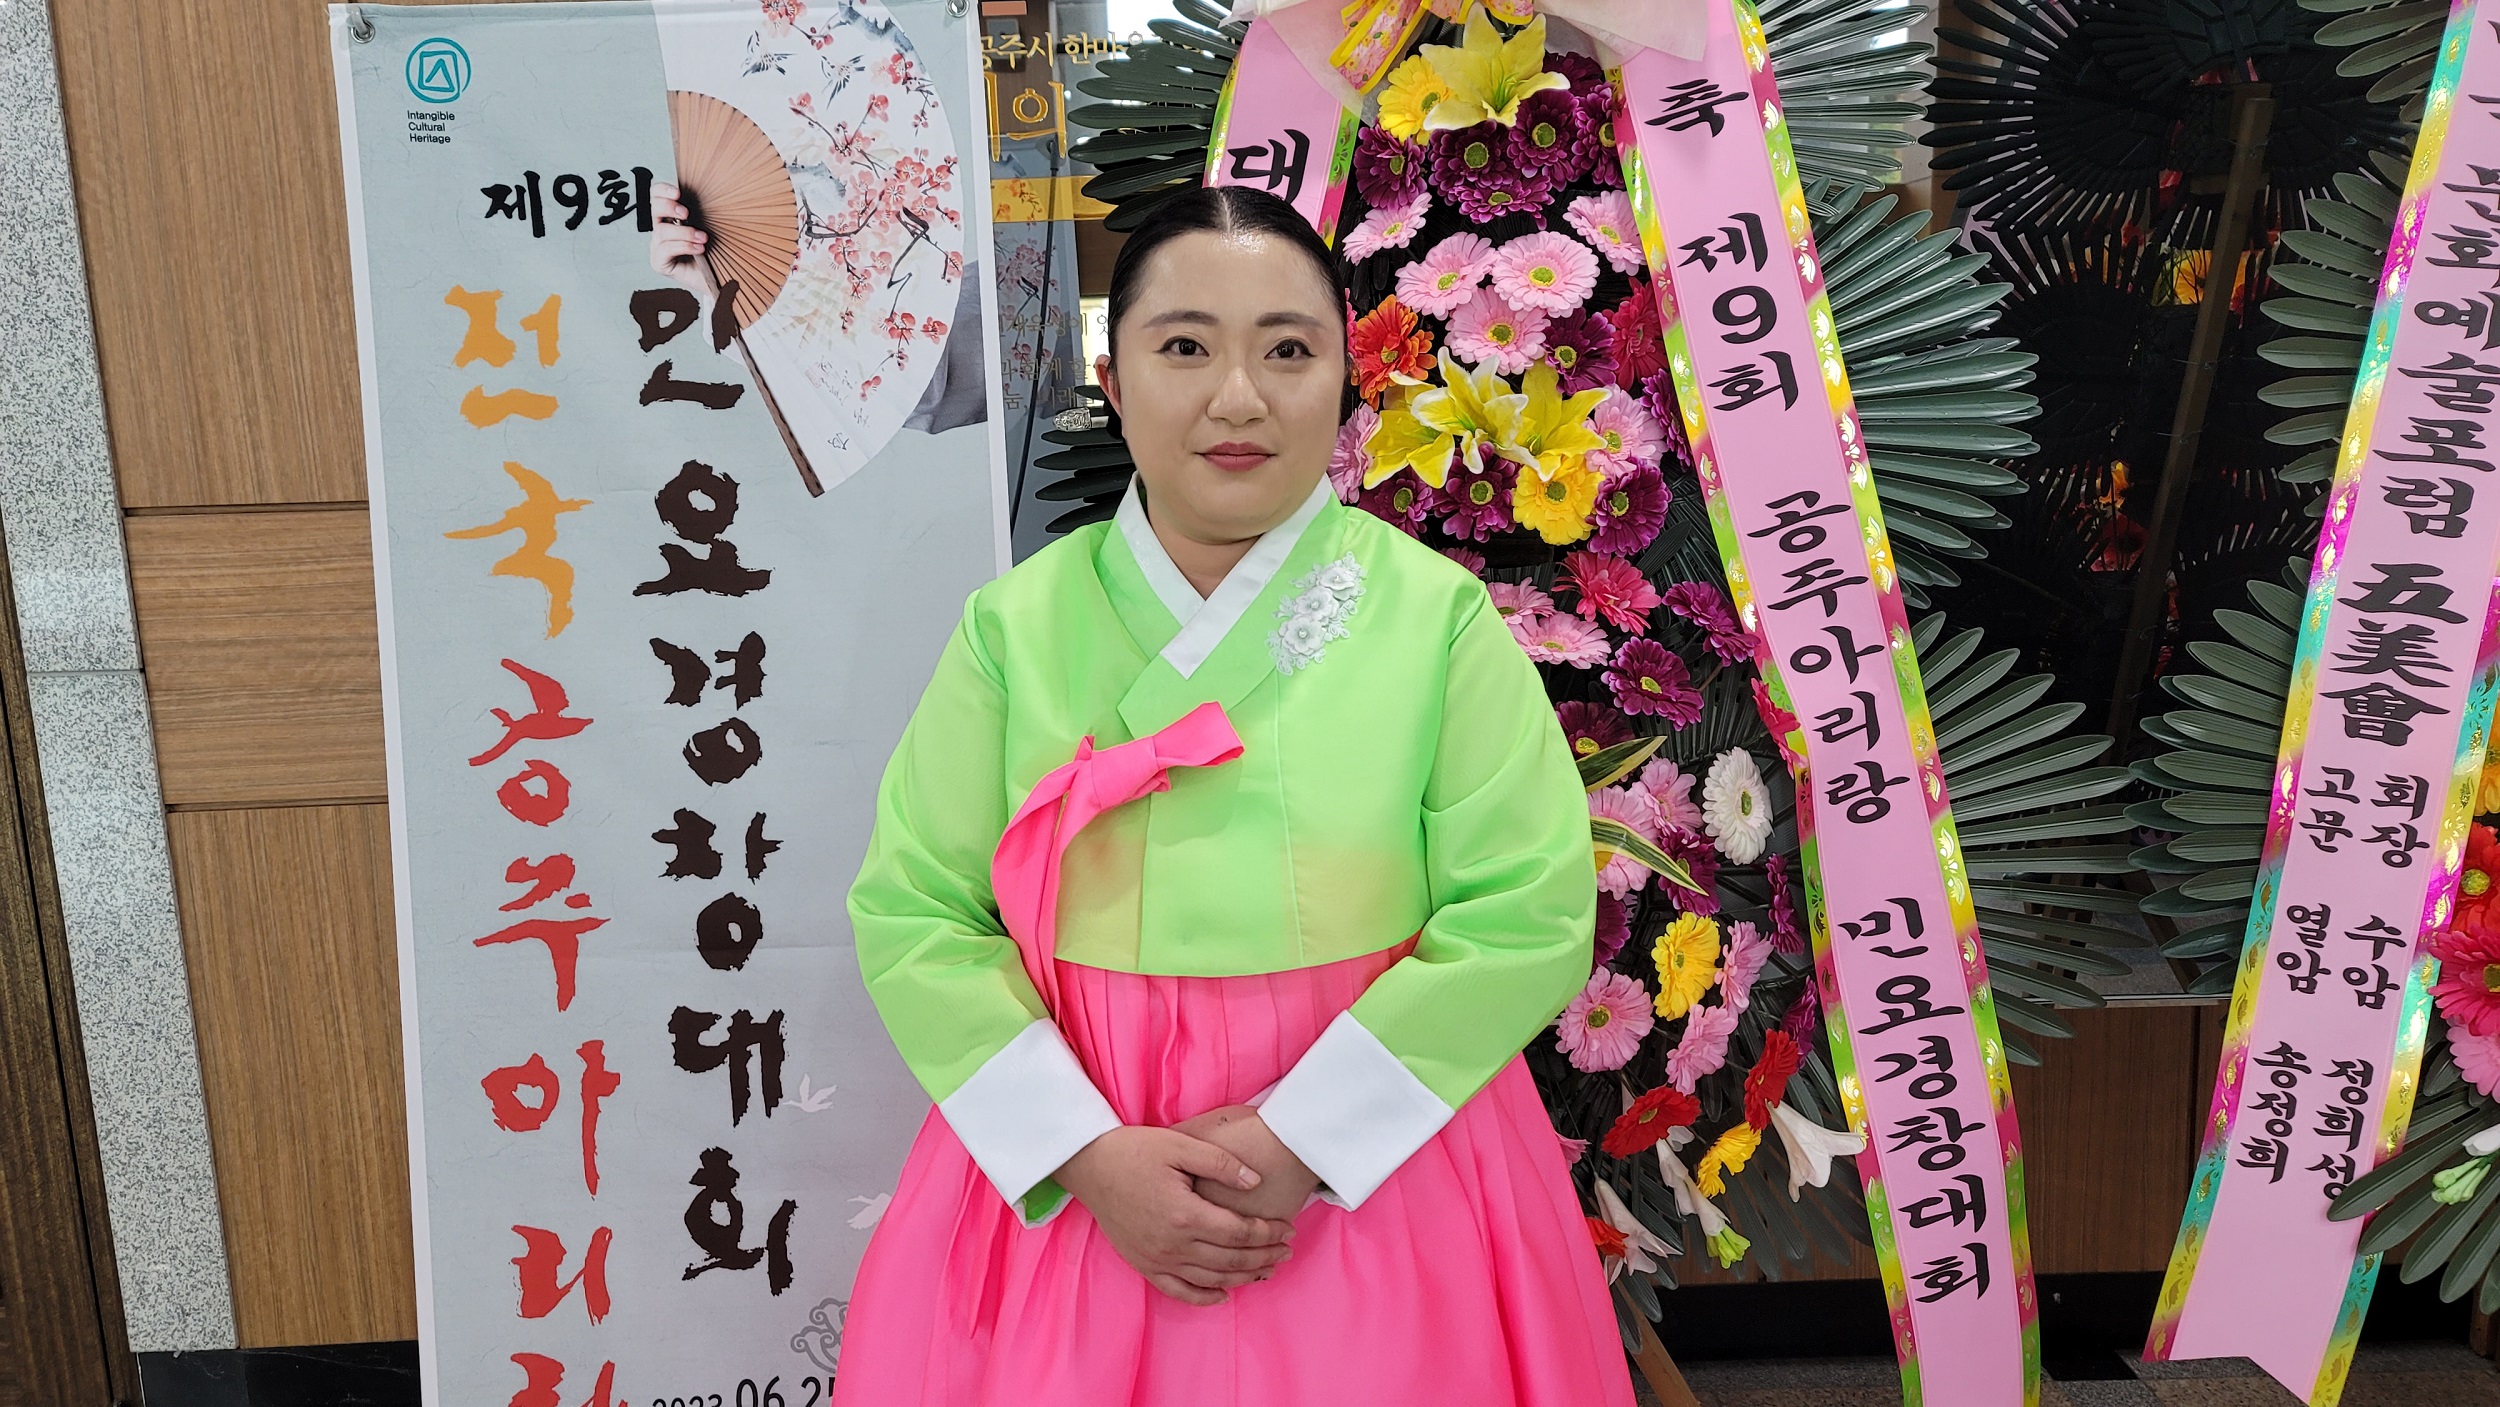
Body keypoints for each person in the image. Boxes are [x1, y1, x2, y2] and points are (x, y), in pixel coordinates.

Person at [833, 184, 1636, 1406]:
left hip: (1374, 1160)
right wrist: (1083, 1153)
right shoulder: (1015, 629)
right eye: (1184, 347)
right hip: (1088, 1162)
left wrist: (1302, 1139)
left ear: (1347, 379)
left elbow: (1525, 912)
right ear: (1112, 378)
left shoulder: (1435, 621)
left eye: (1288, 351)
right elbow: (914, 912)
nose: (1238, 397)